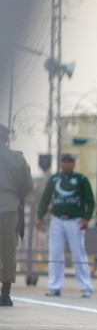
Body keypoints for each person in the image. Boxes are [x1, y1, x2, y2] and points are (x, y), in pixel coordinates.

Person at [36, 153, 95, 298]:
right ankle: (54, 286)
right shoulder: (54, 179)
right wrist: (40, 217)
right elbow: (45, 199)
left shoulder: (81, 179)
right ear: (60, 163)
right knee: (55, 252)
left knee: (78, 254)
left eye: (70, 161)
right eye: (64, 161)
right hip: (57, 220)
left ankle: (86, 286)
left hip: (75, 220)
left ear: (74, 163)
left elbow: (90, 201)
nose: (67, 164)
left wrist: (86, 218)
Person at [0, 124, 33, 307]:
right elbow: (28, 186)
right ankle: (5, 293)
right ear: (7, 138)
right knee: (8, 249)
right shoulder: (17, 158)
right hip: (10, 206)